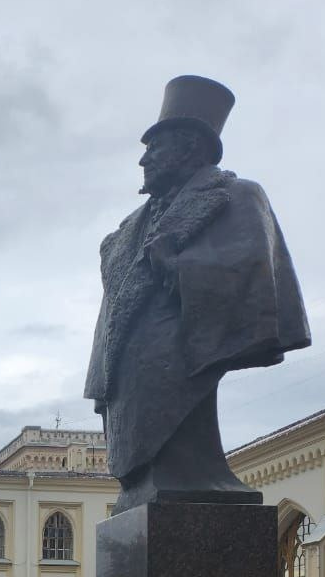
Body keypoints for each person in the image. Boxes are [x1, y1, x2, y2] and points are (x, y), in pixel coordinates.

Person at [84, 75, 310, 514]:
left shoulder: (236, 196)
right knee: (145, 490)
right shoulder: (130, 227)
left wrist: (176, 265)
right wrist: (101, 379)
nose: (143, 159)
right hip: (130, 378)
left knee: (180, 470)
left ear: (189, 147)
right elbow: (112, 312)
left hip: (183, 364)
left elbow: (252, 269)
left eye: (155, 147)